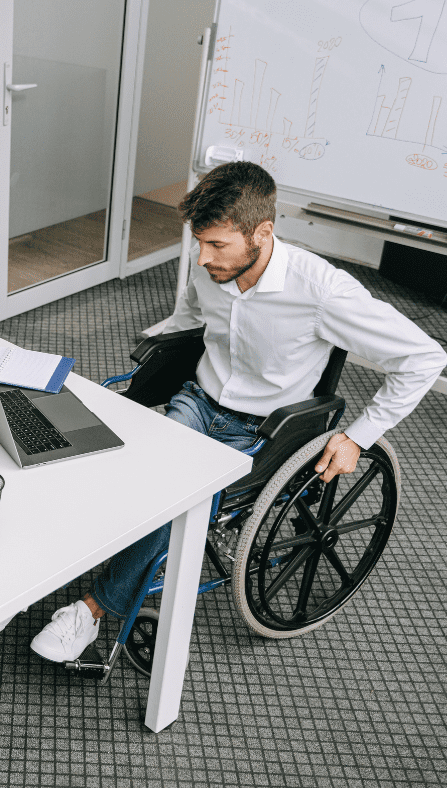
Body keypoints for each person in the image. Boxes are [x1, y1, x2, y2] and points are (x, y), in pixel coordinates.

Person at [24, 161, 447, 661]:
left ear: (262, 233)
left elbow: (424, 358)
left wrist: (359, 436)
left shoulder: (321, 292)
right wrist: (139, 377)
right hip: (197, 401)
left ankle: (92, 610)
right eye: (198, 243)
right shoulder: (213, 267)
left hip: (264, 433)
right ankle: (31, 577)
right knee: (105, 456)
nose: (202, 258)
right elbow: (187, 322)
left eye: (216, 245)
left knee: (170, 497)